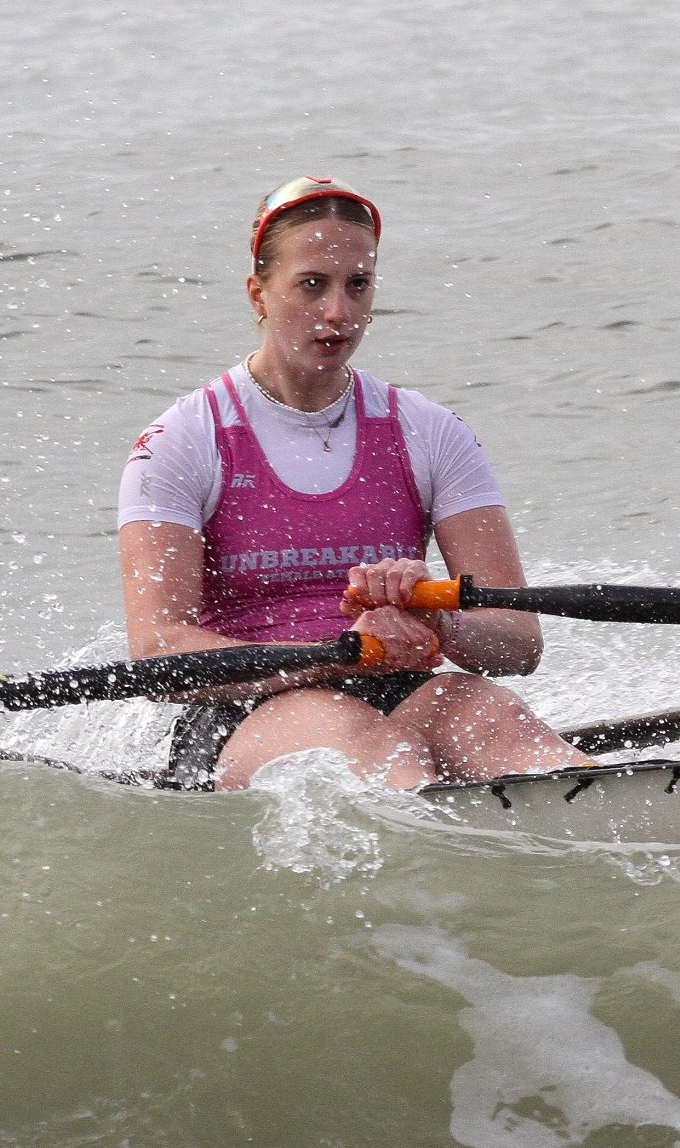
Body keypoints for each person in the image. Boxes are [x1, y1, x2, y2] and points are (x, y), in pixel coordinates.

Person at [116, 175, 593, 791]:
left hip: (400, 684)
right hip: (245, 708)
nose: (338, 312)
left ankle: (598, 819)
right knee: (367, 743)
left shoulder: (431, 433)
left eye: (357, 285)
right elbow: (157, 648)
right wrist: (339, 650)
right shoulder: (182, 441)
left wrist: (440, 618)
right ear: (258, 294)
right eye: (311, 285)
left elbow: (519, 642)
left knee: (494, 717)